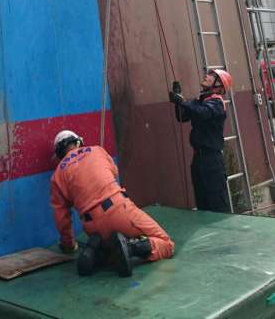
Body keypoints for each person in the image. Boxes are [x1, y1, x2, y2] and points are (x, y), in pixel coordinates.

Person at [50, 130, 174, 277]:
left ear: (59, 153)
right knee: (166, 244)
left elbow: (61, 218)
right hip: (119, 210)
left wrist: (69, 245)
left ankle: (98, 254)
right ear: (78, 142)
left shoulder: (57, 176)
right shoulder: (97, 150)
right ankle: (132, 248)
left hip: (92, 226)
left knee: (112, 247)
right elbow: (114, 172)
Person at [169, 69, 233, 213]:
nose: (207, 76)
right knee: (202, 202)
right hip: (199, 159)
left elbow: (201, 113)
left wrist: (182, 101)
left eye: (212, 76)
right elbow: (182, 117)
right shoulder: (200, 101)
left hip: (212, 161)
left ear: (219, 86)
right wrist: (178, 101)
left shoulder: (217, 103)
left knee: (217, 205)